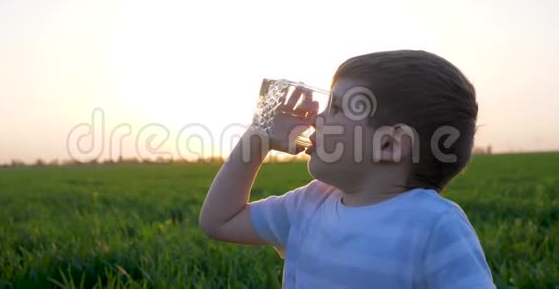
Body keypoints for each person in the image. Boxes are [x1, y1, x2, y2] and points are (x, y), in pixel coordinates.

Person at [199, 50, 495, 288]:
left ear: (389, 145)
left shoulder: (435, 225)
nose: (317, 119)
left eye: (337, 109)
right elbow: (220, 221)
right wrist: (259, 135)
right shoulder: (308, 204)